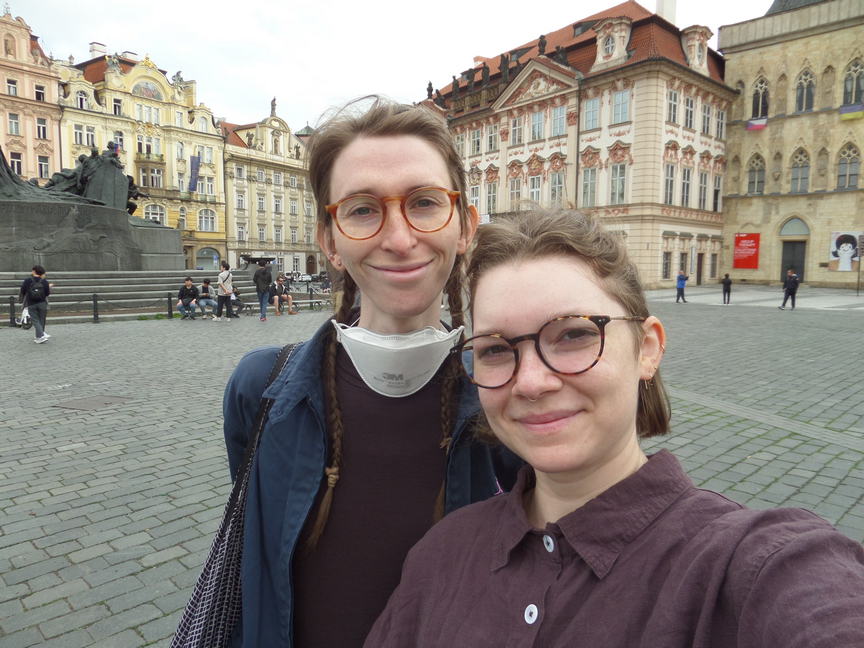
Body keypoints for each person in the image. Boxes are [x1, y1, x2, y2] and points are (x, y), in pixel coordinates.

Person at [365, 210, 864, 647]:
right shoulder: (442, 553)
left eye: (574, 334)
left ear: (647, 348)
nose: (532, 382)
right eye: (496, 349)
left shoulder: (748, 567)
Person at [218, 97, 520, 647]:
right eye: (361, 210)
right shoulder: (261, 390)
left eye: (425, 203)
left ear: (466, 226)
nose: (400, 239)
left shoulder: (511, 399)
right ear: (329, 241)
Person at [19, 264, 51, 343]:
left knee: (35, 320)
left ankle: (40, 336)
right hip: (42, 303)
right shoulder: (44, 281)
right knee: (41, 320)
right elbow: (47, 293)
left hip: (31, 303)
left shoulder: (27, 280)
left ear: (34, 271)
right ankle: (39, 336)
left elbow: (22, 290)